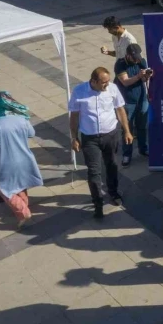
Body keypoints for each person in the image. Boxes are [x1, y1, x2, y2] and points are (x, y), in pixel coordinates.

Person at [69, 67, 134, 219]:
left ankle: (113, 192)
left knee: (111, 165)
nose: (107, 84)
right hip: (90, 138)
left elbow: (120, 110)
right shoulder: (79, 92)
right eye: (104, 82)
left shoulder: (112, 88)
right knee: (93, 172)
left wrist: (127, 131)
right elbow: (74, 116)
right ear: (94, 81)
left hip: (111, 135)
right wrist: (74, 137)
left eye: (108, 81)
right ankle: (98, 203)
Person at [0, 92, 43, 228]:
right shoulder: (21, 119)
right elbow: (32, 133)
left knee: (5, 190)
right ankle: (24, 208)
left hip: (6, 162)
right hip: (25, 159)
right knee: (21, 186)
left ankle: (24, 213)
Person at [114, 44, 151, 166]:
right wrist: (138, 76)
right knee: (127, 128)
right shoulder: (120, 64)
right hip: (127, 101)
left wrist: (146, 76)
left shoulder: (141, 60)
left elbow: (144, 79)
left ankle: (143, 148)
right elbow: (125, 82)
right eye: (134, 57)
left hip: (142, 99)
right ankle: (126, 154)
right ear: (128, 55)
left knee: (142, 126)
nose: (136, 60)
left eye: (138, 57)